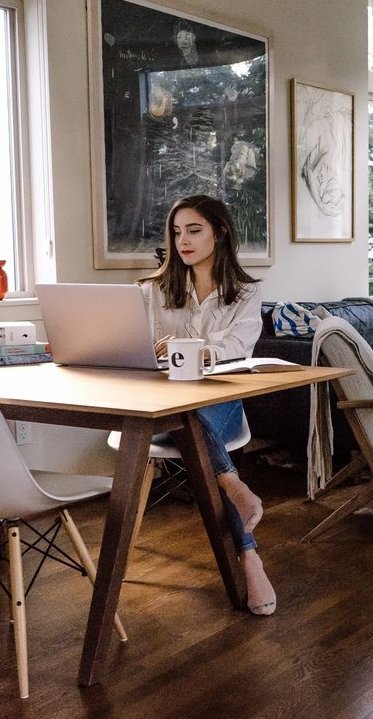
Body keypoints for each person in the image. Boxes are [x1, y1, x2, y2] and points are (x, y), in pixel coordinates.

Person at [137, 194, 275, 615]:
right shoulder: (152, 290)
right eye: (177, 232)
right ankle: (235, 492)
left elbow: (239, 346)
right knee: (185, 413)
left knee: (194, 415)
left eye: (194, 230)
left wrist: (187, 348)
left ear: (220, 232)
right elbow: (137, 348)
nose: (183, 241)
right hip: (161, 404)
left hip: (219, 403)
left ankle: (247, 552)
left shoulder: (247, 293)